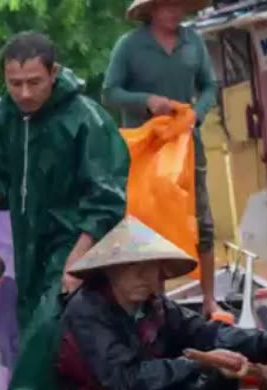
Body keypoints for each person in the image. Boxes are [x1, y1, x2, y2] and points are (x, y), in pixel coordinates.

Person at [0, 31, 130, 390]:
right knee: (29, 326)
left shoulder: (85, 120)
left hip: (78, 239)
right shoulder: (2, 116)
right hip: (27, 243)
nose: (25, 93)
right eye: (15, 83)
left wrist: (78, 259)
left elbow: (106, 200)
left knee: (50, 328)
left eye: (34, 82)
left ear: (54, 73)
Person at [57, 217, 267, 390]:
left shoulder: (155, 305)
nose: (143, 276)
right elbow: (125, 379)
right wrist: (197, 362)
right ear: (110, 271)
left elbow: (207, 332)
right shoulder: (86, 311)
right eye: (130, 267)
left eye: (150, 267)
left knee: (223, 371)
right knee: (206, 367)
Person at [104, 0, 218, 317]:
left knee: (202, 222)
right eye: (167, 5)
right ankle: (157, 306)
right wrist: (146, 101)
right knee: (149, 227)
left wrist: (197, 112)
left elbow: (210, 86)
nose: (175, 11)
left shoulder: (192, 41)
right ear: (151, 10)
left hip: (185, 146)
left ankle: (209, 299)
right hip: (144, 152)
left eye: (179, 5)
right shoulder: (129, 46)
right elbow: (110, 92)